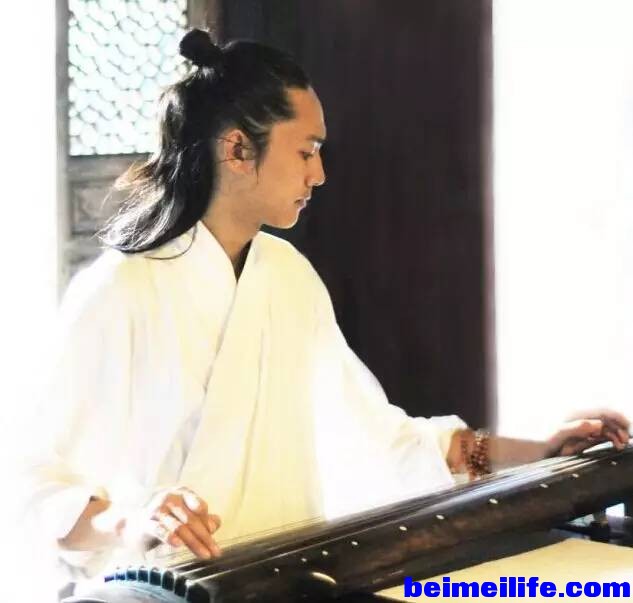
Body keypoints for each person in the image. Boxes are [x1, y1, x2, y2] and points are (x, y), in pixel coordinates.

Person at [21, 29, 630, 587]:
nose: (318, 174)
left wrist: (538, 450)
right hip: (161, 591)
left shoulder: (287, 275)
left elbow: (382, 439)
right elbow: (34, 490)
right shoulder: (121, 290)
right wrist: (132, 520)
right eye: (306, 151)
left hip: (278, 582)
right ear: (238, 149)